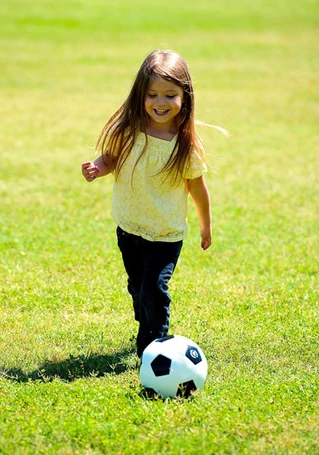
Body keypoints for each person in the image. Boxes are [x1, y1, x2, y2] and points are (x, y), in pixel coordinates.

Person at [80, 49, 213, 358]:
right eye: (152, 94)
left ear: (185, 96)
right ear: (140, 94)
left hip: (165, 235)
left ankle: (153, 350)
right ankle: (146, 323)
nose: (160, 102)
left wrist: (206, 226)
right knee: (138, 289)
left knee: (154, 291)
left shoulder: (185, 146)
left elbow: (198, 188)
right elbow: (112, 158)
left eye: (170, 95)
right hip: (129, 227)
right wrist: (98, 168)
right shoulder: (128, 132)